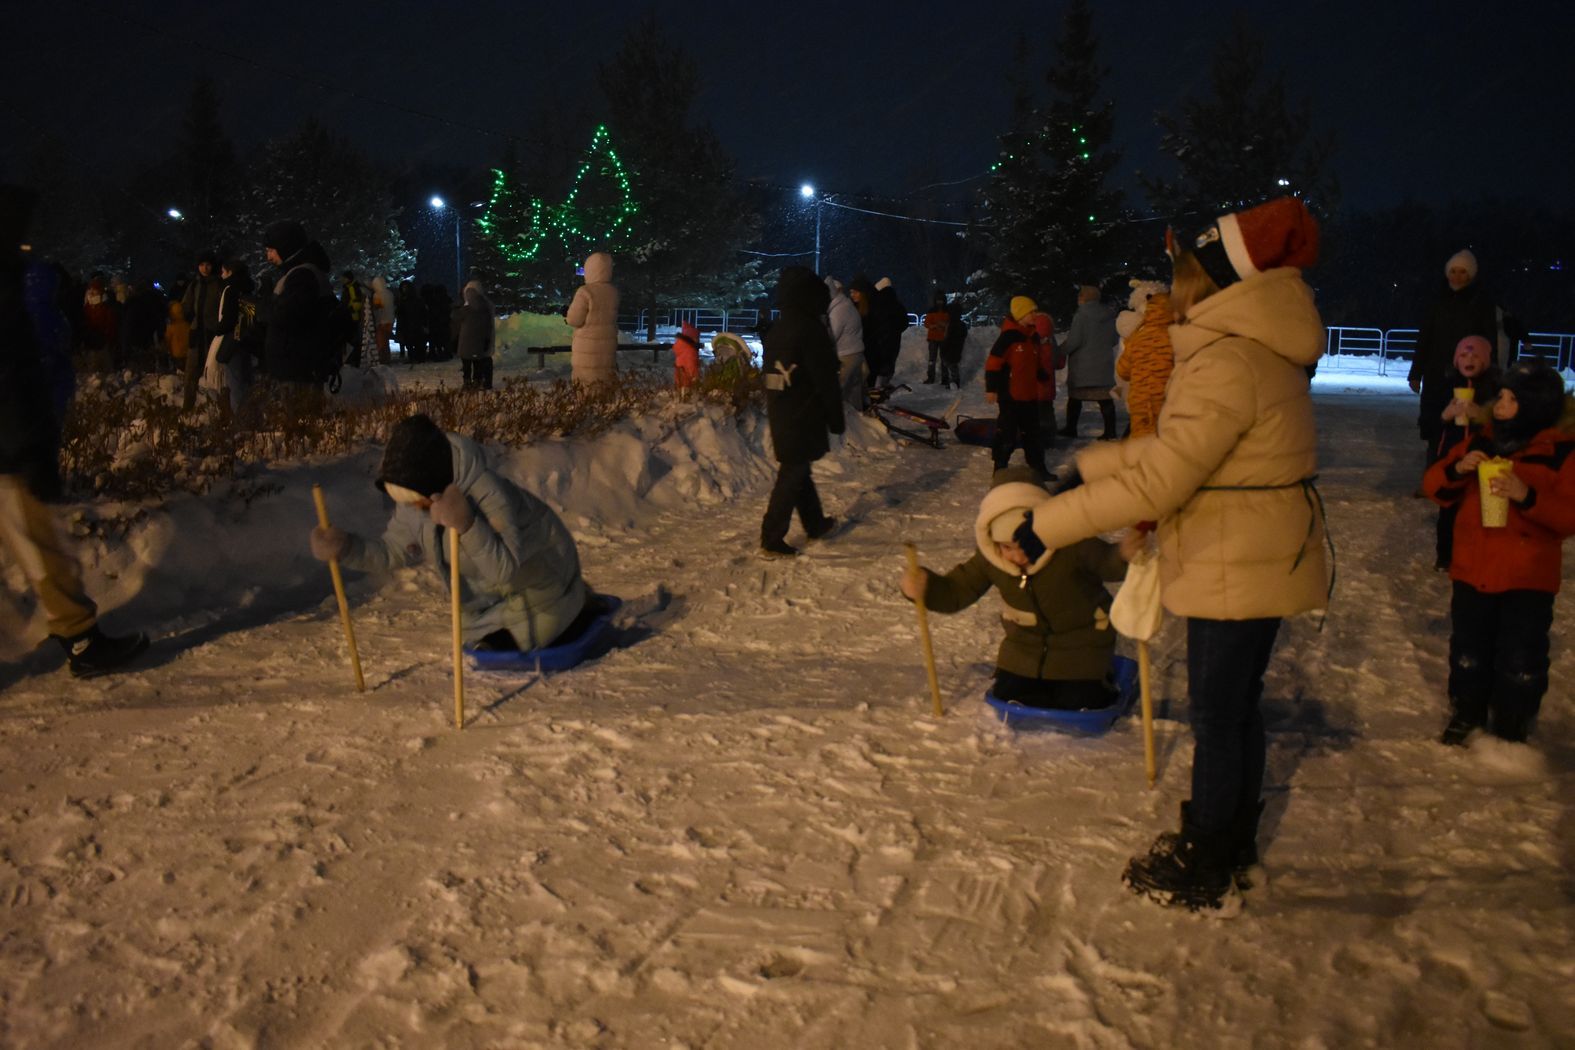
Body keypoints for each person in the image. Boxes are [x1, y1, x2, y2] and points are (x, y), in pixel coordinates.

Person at [1013, 196, 1329, 914]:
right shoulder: (1249, 350)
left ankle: (1208, 855)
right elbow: (1179, 450)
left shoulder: (1226, 358)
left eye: (1185, 272)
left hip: (1234, 557)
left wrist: (1046, 525)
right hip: (1251, 548)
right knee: (1235, 709)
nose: (1176, 285)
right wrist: (1092, 466)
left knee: (1219, 714)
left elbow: (1165, 476)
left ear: (1214, 281)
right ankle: (1230, 838)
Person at [0, 185, 147, 677]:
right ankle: (82, 641)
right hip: (10, 448)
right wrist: (31, 446)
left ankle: (78, 637)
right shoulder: (8, 283)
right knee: (40, 543)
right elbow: (13, 370)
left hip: (12, 440)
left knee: (39, 542)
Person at [309, 413, 592, 651]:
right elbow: (394, 551)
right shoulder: (414, 500)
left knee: (524, 637)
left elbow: (503, 569)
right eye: (406, 502)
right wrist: (348, 548)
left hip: (544, 580)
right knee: (473, 637)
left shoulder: (487, 493)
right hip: (487, 599)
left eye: (416, 501)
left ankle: (576, 607)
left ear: (430, 483)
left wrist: (467, 525)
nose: (413, 509)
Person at [1421, 361, 1574, 746]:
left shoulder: (1561, 453)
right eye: (1501, 396)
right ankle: (1467, 710)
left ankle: (1513, 720)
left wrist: (1527, 496)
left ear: (1537, 407)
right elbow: (1433, 485)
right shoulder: (1482, 439)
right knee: (1469, 649)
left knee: (1521, 656)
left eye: (1512, 399)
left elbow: (1569, 515)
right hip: (1474, 567)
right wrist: (1457, 469)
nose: (1501, 405)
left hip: (1527, 575)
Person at [901, 466, 1138, 708]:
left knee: (1077, 701)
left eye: (1023, 545)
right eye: (1006, 547)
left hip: (1082, 646)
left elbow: (1107, 563)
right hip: (1024, 650)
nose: (1017, 556)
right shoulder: (991, 559)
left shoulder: (1071, 543)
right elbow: (956, 591)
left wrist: (1122, 555)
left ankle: (1102, 681)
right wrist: (926, 588)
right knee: (1011, 698)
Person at [759, 266, 844, 558]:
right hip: (804, 409)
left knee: (798, 467)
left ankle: (815, 523)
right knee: (793, 471)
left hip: (782, 408)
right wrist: (836, 419)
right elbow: (826, 379)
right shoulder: (810, 330)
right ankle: (771, 536)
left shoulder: (779, 328)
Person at [1409, 249, 1497, 471]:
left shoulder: (1481, 303)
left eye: (1463, 272)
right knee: (1434, 424)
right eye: (1453, 271)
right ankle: (1433, 473)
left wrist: (1489, 372)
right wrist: (1416, 372)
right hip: (1436, 373)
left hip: (1466, 375)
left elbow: (1488, 342)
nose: (1457, 276)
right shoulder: (1437, 301)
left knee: (1463, 426)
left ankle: (1459, 472)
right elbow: (1425, 338)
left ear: (1471, 275)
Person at [1430, 335, 1502, 569]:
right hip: (1450, 455)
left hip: (1483, 457)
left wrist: (1481, 416)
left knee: (1478, 507)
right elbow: (1429, 425)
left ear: (1485, 361)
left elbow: (1503, 425)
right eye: (1463, 355)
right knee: (1448, 507)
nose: (1468, 359)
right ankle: (1445, 555)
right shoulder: (1445, 385)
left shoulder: (1494, 388)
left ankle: (1478, 554)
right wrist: (1445, 415)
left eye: (1475, 355)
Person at [261, 220, 335, 402]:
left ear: (286, 246)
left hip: (299, 370)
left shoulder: (303, 276)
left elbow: (286, 317)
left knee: (301, 424)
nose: (268, 257)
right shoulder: (298, 273)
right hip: (296, 368)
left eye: (271, 250)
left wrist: (264, 301)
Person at [984, 295, 1055, 479]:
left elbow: (1035, 360)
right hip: (1011, 396)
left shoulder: (1033, 337)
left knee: (1033, 435)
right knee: (1007, 434)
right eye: (1031, 312)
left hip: (1030, 395)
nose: (1035, 314)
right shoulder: (1008, 337)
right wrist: (991, 389)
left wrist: (1040, 373)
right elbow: (993, 364)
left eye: (1035, 311)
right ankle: (1000, 468)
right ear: (1021, 314)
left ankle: (1038, 467)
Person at [1059, 284, 1120, 440]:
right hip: (1103, 365)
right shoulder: (1109, 315)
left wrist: (1060, 351)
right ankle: (1110, 431)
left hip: (1083, 366)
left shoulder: (1081, 315)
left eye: (1080, 295)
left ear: (1084, 298)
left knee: (1075, 398)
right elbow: (1114, 339)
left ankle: (1071, 428)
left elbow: (1074, 341)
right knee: (1105, 398)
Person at [1114, 281, 1174, 439]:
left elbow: (1122, 370)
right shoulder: (1178, 335)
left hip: (1141, 401)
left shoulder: (1137, 337)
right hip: (1169, 400)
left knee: (1140, 444)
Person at [567, 252, 619, 385]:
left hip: (587, 349)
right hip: (607, 347)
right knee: (604, 382)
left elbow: (574, 320)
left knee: (586, 385)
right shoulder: (613, 292)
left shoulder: (585, 292)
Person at [180, 254, 222, 409]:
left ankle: (216, 408)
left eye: (208, 264)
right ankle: (188, 407)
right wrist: (192, 319)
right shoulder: (194, 285)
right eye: (202, 264)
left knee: (214, 373)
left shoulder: (218, 284)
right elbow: (186, 305)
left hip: (212, 333)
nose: (205, 268)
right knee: (190, 373)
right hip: (197, 333)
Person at [824, 275, 866, 411]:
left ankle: (846, 425)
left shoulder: (838, 311)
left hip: (846, 356)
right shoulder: (845, 305)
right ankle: (860, 423)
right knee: (855, 392)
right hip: (856, 353)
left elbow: (831, 337)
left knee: (840, 392)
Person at [866, 276, 909, 389]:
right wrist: (894, 331)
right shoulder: (897, 305)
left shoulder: (875, 303)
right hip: (893, 340)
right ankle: (883, 386)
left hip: (877, 341)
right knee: (889, 363)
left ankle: (876, 391)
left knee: (877, 366)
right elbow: (904, 323)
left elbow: (870, 321)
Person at [456, 279, 495, 390]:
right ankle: (480, 381)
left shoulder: (466, 308)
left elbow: (455, 317)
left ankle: (468, 382)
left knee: (468, 364)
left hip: (466, 342)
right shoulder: (486, 305)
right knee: (479, 363)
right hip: (481, 340)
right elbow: (488, 324)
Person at [937, 296, 968, 390]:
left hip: (950, 348)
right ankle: (953, 381)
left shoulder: (952, 324)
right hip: (956, 348)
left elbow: (948, 337)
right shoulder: (960, 324)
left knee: (951, 364)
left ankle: (954, 382)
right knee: (952, 364)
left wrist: (944, 345)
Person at [395, 279, 426, 363]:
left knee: (416, 342)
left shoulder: (416, 300)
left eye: (406, 288)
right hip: (407, 324)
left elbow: (422, 312)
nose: (404, 290)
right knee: (409, 343)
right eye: (403, 288)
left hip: (414, 323)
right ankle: (412, 357)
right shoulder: (402, 300)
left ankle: (418, 357)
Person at [922, 290, 949, 384]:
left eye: (941, 300)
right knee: (932, 359)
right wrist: (933, 326)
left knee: (944, 359)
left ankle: (945, 378)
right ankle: (931, 377)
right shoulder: (931, 311)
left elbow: (950, 323)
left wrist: (944, 325)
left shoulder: (947, 311)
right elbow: (926, 323)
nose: (939, 302)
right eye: (938, 300)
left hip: (944, 338)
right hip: (933, 338)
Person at [370, 276, 394, 365]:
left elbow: (377, 308)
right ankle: (387, 360)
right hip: (390, 320)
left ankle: (380, 360)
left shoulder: (377, 295)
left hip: (381, 321)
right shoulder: (390, 293)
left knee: (380, 343)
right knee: (386, 342)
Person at [673, 320, 701, 390]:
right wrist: (696, 381)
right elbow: (691, 368)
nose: (698, 340)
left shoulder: (682, 349)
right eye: (697, 338)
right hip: (688, 385)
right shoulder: (690, 351)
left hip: (680, 382)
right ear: (692, 338)